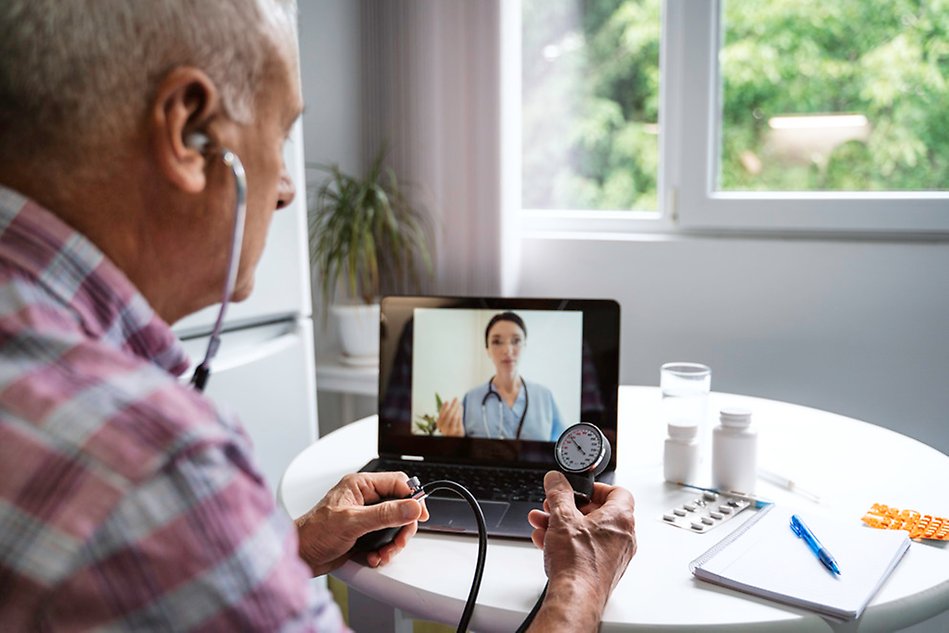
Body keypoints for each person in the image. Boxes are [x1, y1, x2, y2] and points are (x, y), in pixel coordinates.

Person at [0, 1, 636, 630]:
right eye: (280, 134)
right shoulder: (155, 466)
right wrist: (581, 581)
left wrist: (293, 543)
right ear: (189, 131)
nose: (286, 188)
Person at [436, 311, 566, 441]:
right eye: (497, 342)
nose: (507, 350)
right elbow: (461, 453)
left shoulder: (544, 397)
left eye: (516, 341)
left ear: (525, 346)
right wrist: (452, 441)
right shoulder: (471, 399)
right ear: (487, 349)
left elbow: (562, 449)